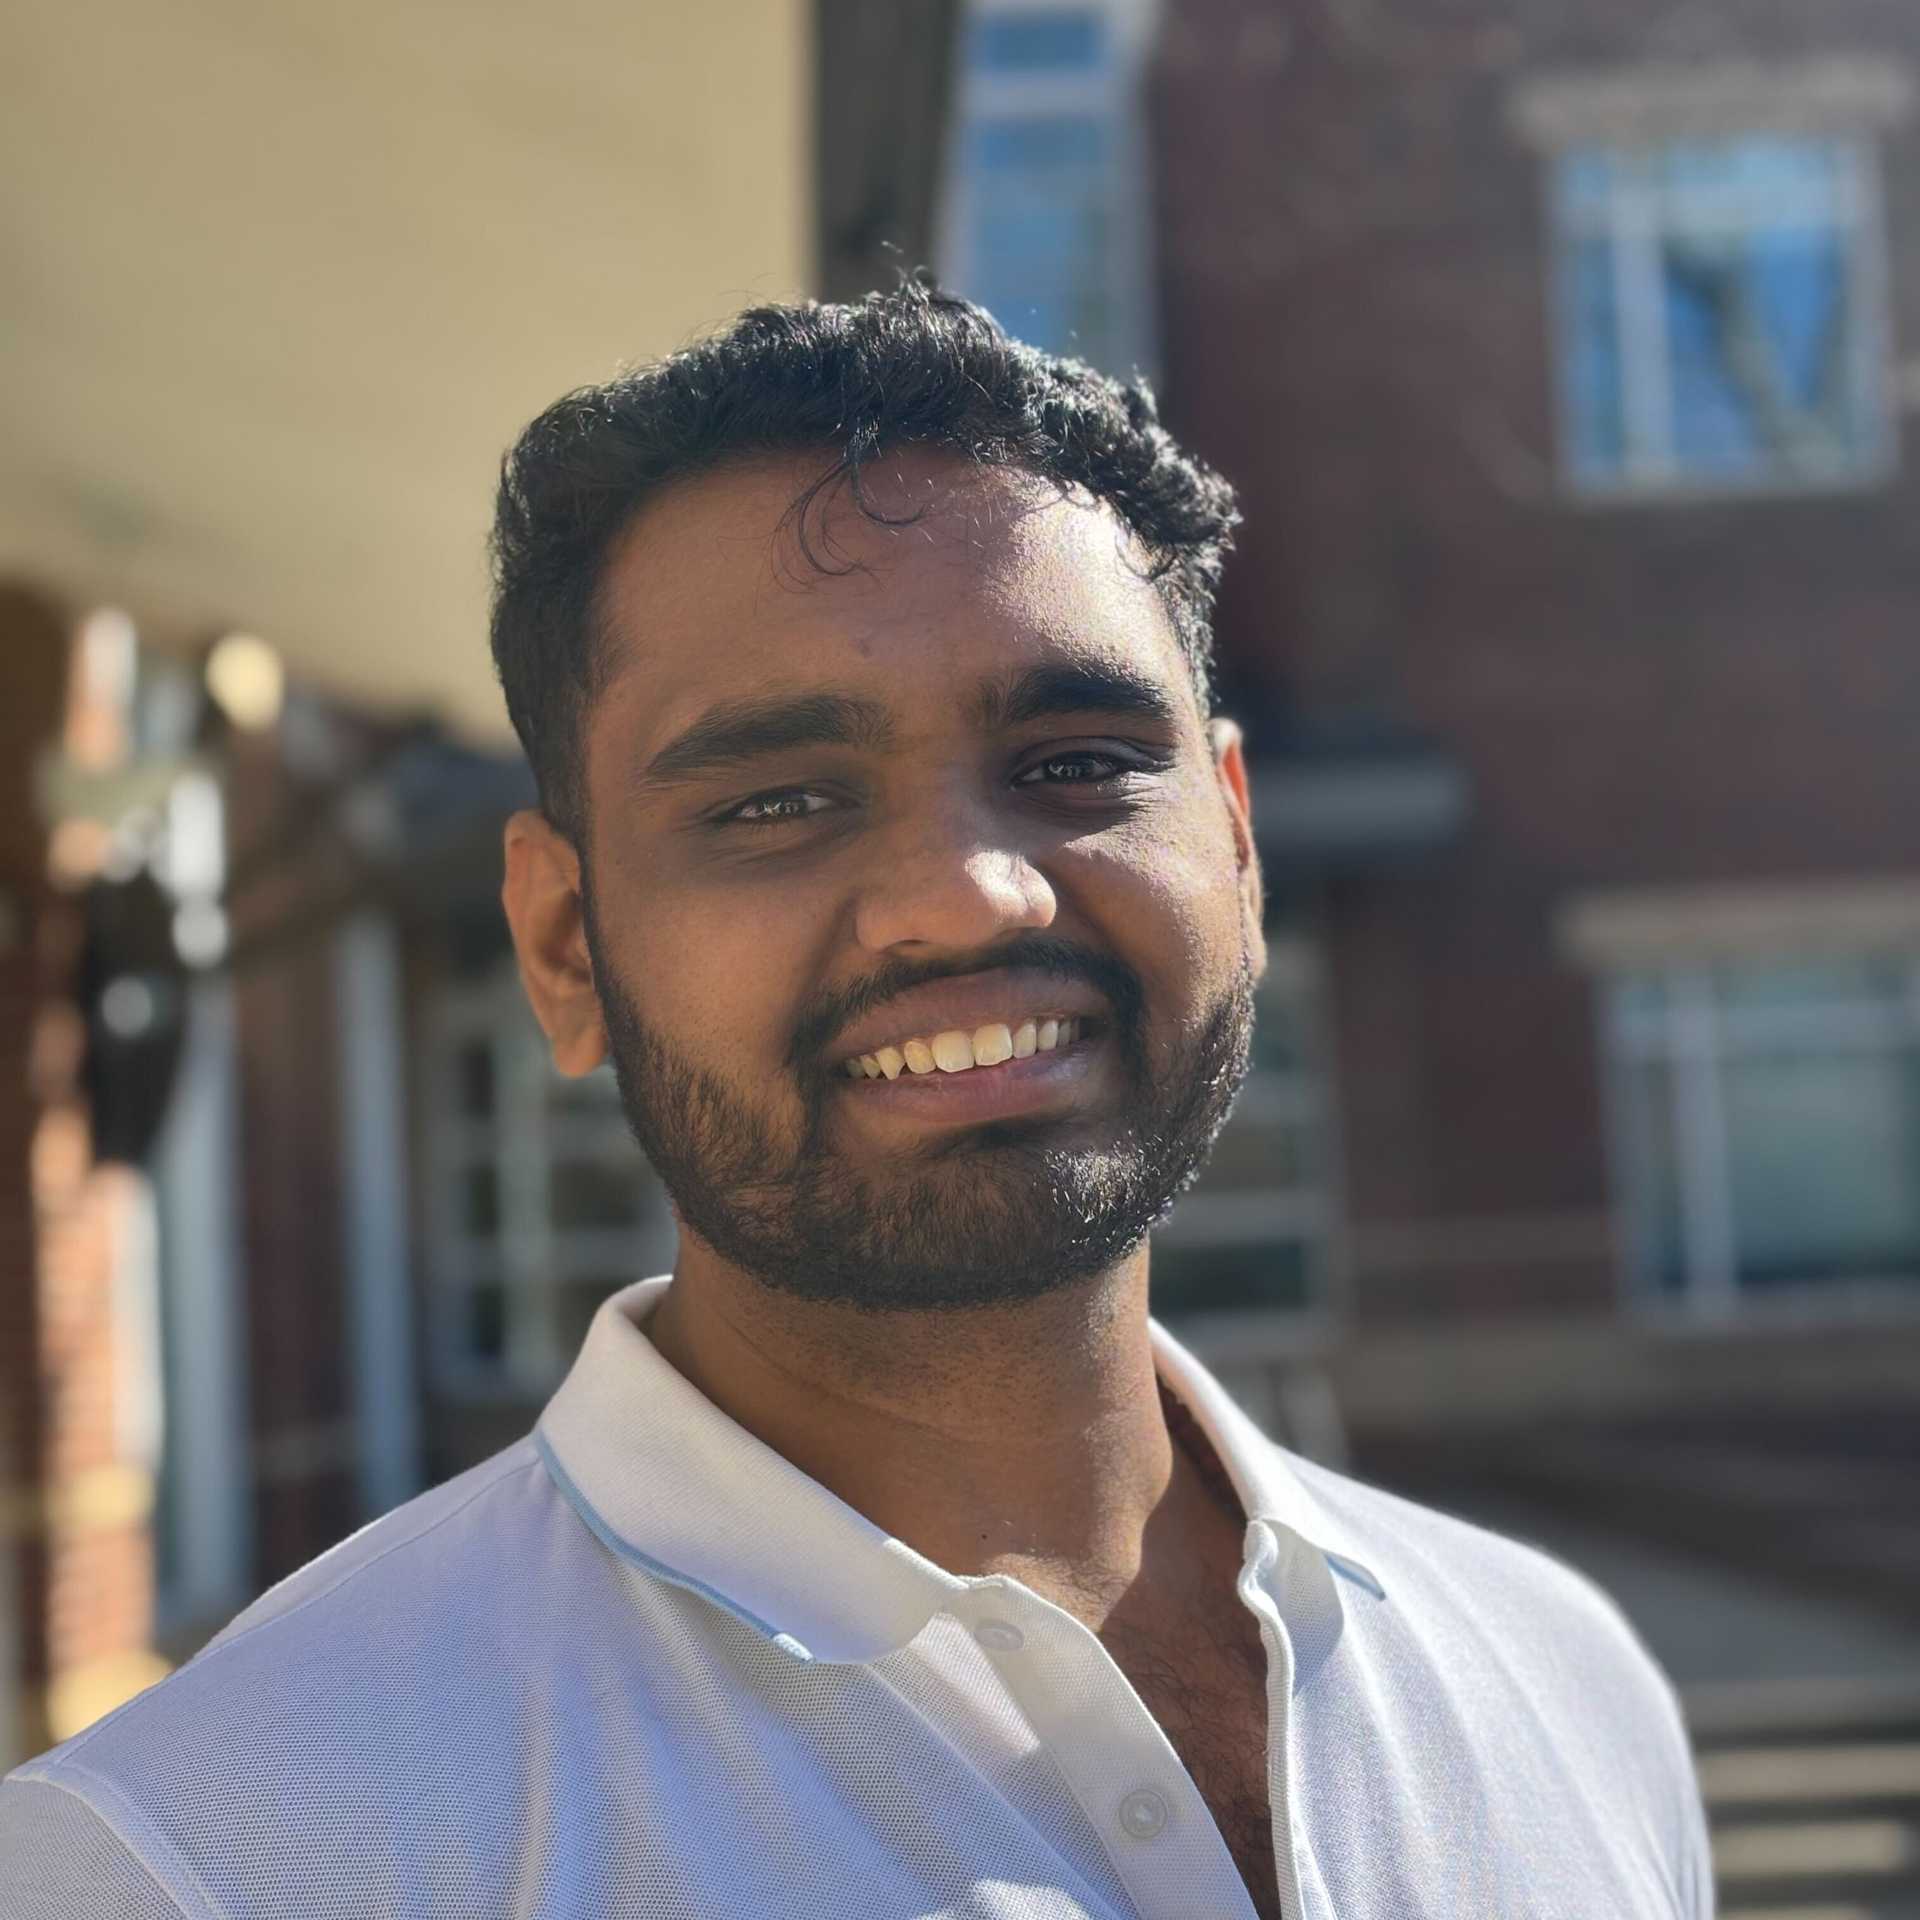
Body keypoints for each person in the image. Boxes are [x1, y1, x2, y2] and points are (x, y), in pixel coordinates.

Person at [0, 282, 1713, 1919]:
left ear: (1240, 843)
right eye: (776, 801)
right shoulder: (206, 1857)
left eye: (1078, 764)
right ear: (562, 943)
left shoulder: (1562, 1680)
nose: (975, 898)